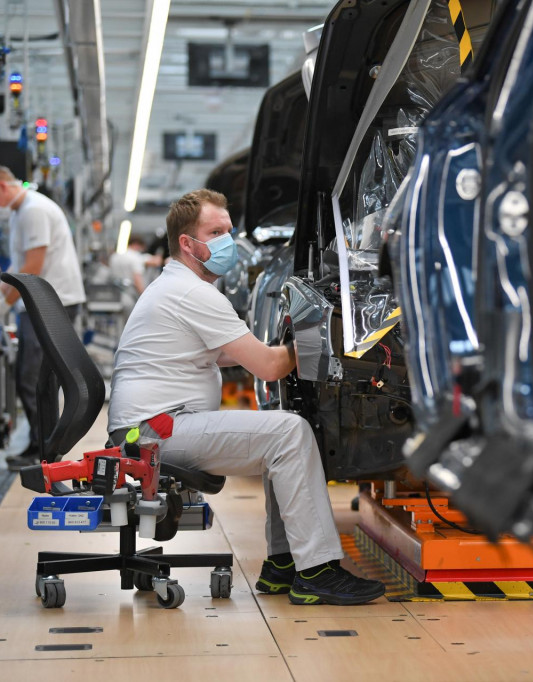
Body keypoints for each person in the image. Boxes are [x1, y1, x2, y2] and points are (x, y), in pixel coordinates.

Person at [107, 189, 385, 606]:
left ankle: (283, 564)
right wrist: (319, 341)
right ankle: (318, 571)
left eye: (229, 231)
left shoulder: (177, 287)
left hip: (151, 427)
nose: (228, 242)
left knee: (277, 430)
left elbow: (233, 353)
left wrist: (282, 347)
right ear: (187, 243)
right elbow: (270, 367)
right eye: (215, 233)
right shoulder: (193, 293)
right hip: (155, 432)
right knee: (288, 433)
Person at [0, 165, 86, 470]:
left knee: (34, 378)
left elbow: (33, 265)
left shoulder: (34, 210)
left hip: (51, 303)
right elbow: (18, 264)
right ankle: (42, 447)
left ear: (2, 188)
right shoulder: (20, 212)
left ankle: (45, 451)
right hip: (39, 302)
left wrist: (5, 302)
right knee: (35, 379)